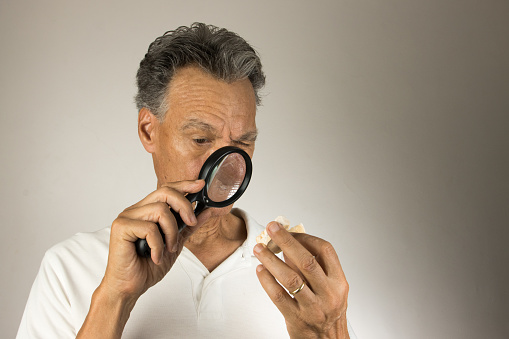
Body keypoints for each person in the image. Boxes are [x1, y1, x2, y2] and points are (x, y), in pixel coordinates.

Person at [17, 23, 356, 339]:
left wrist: (330, 332)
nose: (227, 168)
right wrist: (115, 297)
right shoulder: (69, 266)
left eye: (242, 143)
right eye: (200, 140)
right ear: (149, 131)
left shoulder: (299, 279)